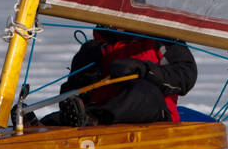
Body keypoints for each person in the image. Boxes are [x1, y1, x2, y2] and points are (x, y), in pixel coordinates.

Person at [42, 28, 197, 128]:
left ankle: (95, 118)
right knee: (62, 114)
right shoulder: (96, 48)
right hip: (94, 114)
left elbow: (186, 75)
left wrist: (144, 70)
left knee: (143, 91)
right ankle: (37, 125)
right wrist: (87, 77)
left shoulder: (162, 41)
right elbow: (72, 94)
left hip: (154, 114)